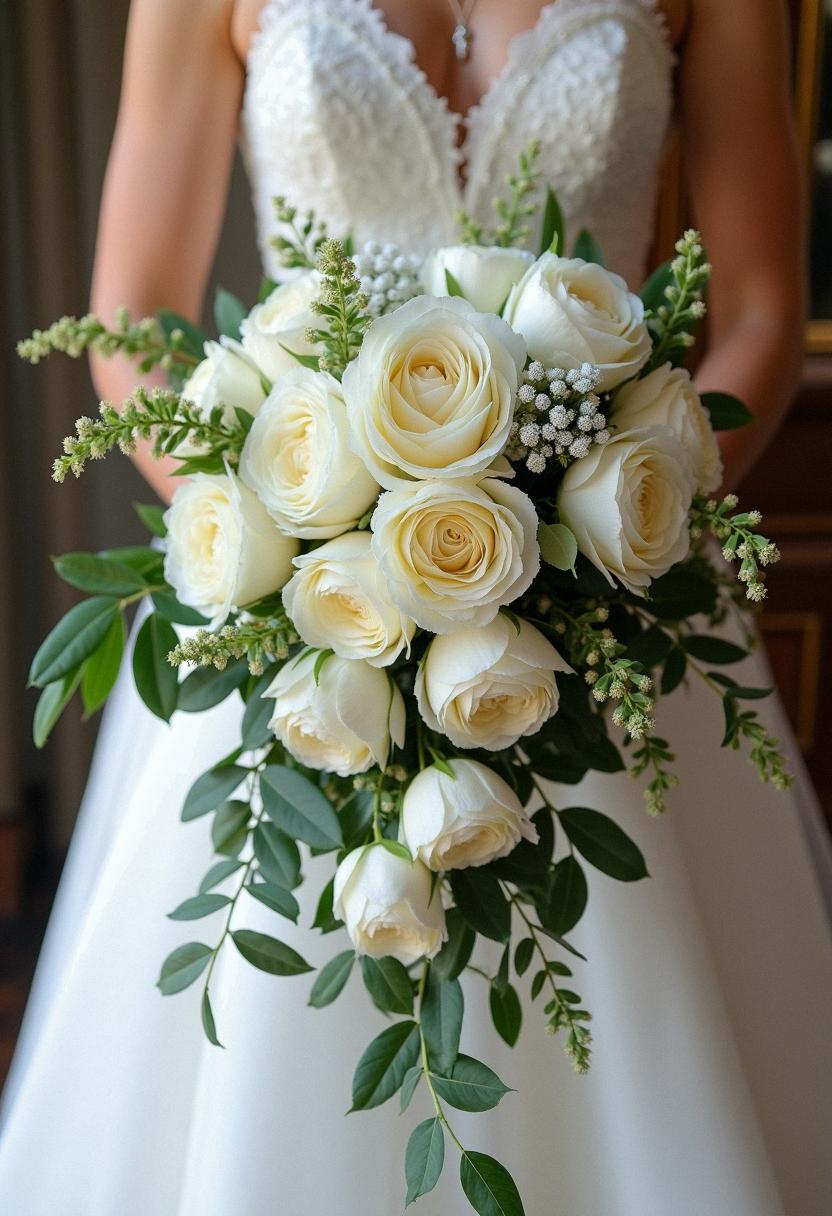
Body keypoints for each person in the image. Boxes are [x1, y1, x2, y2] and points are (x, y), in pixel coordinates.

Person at [2, 1, 832, 1213]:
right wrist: (288, 543)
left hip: (613, 606)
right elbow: (131, 318)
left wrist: (619, 520)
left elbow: (757, 308)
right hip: (304, 605)